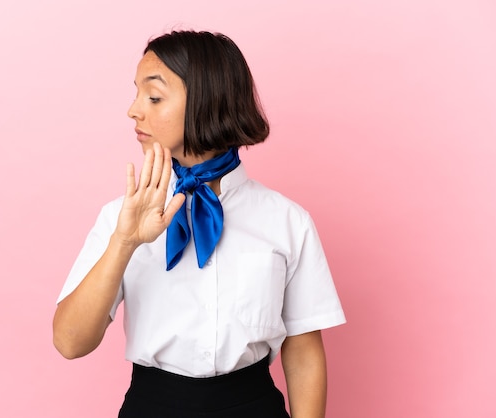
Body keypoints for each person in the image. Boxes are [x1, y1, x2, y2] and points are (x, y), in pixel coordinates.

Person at [53, 30, 346, 418]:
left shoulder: (287, 220)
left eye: (154, 97)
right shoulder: (119, 217)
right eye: (137, 94)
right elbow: (70, 343)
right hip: (152, 406)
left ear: (206, 102)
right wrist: (124, 242)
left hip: (252, 405)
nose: (134, 110)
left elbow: (304, 348)